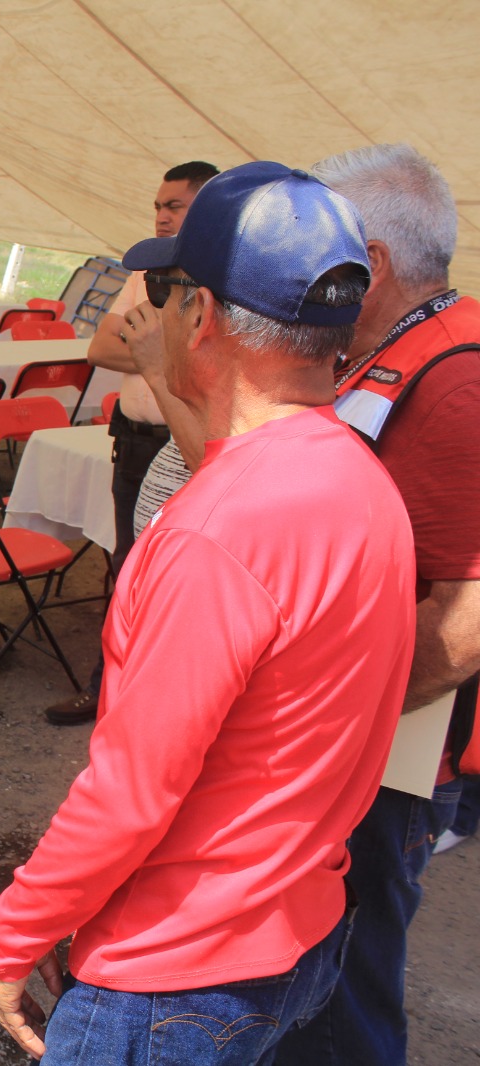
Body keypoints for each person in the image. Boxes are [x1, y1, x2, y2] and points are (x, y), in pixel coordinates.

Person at [0, 161, 415, 1065]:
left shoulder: (217, 530)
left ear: (203, 317)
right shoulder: (361, 478)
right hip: (295, 925)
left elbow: (131, 793)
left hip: (177, 967)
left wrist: (15, 933)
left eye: (173, 290)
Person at [275, 144, 480, 1066]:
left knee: (347, 980)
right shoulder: (398, 346)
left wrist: (348, 720)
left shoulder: (458, 377)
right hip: (356, 732)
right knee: (316, 960)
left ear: (376, 262)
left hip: (384, 749)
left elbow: (470, 614)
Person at [43, 160, 218, 725]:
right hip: (135, 442)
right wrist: (169, 353)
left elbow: (210, 363)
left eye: (175, 206)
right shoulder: (147, 272)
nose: (161, 217)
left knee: (181, 579)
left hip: (190, 447)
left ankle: (164, 703)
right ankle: (108, 690)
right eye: (158, 207)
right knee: (124, 569)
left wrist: (146, 352)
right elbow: (100, 349)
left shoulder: (222, 277)